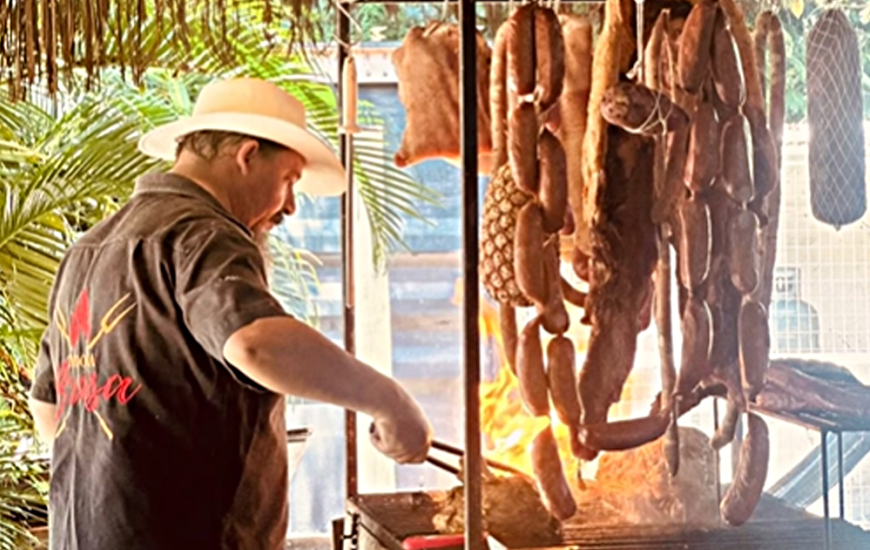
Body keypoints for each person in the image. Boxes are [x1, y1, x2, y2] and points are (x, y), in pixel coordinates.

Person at [27, 77, 434, 550]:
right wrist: (388, 400)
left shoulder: (88, 249)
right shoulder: (201, 233)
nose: (290, 206)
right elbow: (253, 342)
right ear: (245, 156)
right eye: (289, 180)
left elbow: (51, 408)